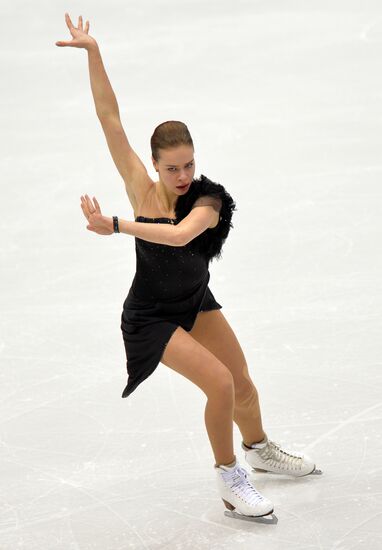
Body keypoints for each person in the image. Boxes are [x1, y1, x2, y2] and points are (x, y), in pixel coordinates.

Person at [56, 13, 322, 522]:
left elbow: (179, 236)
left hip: (195, 302)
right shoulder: (139, 186)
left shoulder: (208, 198)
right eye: (172, 167)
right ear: (154, 165)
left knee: (242, 383)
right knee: (220, 384)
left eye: (189, 164)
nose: (183, 176)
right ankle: (229, 480)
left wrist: (115, 225)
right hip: (151, 315)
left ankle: (259, 450)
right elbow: (109, 118)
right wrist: (93, 52)